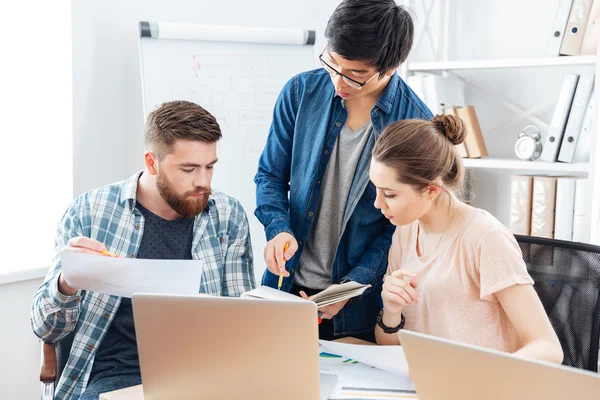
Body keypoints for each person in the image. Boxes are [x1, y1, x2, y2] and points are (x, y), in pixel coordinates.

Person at [31, 101, 255, 399]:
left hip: (203, 376)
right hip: (115, 378)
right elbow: (46, 329)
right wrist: (68, 283)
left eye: (210, 167)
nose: (203, 181)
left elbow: (245, 322)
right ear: (152, 163)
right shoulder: (90, 212)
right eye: (188, 169)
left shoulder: (228, 216)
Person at [254, 0, 432, 342]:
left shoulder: (417, 126)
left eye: (356, 75)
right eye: (332, 62)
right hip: (283, 288)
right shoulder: (300, 92)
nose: (339, 80)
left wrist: (354, 284)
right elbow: (270, 177)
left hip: (357, 308)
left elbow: (400, 229)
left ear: (392, 67)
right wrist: (277, 229)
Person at [370, 114, 563, 363]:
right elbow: (387, 344)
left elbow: (548, 348)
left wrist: (475, 375)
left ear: (431, 189)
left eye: (389, 194)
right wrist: (392, 312)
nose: (378, 203)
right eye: (375, 189)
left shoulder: (485, 238)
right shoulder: (405, 231)